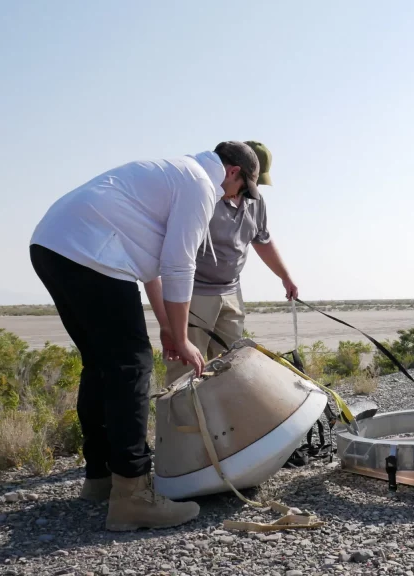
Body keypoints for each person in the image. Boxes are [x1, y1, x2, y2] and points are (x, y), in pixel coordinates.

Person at [28, 141, 261, 532]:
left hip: (53, 246)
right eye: (241, 189)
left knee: (102, 366)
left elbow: (152, 269)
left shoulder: (173, 174)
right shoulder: (201, 184)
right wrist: (186, 340)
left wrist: (171, 330)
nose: (233, 196)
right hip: (91, 255)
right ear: (233, 171)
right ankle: (133, 496)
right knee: (131, 369)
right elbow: (179, 263)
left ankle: (100, 478)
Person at [162, 141, 299, 386]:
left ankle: (222, 424)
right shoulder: (204, 194)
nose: (251, 190)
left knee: (231, 366)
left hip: (231, 292)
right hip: (194, 294)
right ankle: (180, 423)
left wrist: (285, 276)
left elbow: (263, 240)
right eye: (250, 183)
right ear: (235, 170)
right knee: (184, 372)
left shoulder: (256, 201)